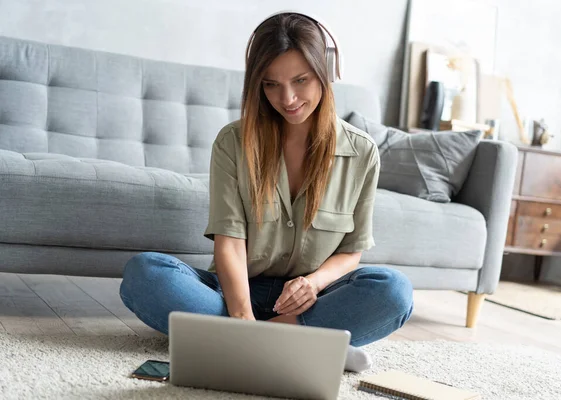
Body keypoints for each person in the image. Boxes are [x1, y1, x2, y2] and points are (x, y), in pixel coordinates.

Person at [119, 11, 414, 373]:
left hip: (310, 301)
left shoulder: (362, 152)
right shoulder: (233, 142)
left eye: (300, 80)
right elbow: (229, 241)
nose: (286, 98)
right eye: (271, 84)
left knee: (393, 291)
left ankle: (237, 345)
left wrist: (312, 282)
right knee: (145, 273)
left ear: (327, 72)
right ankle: (307, 346)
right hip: (232, 292)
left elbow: (351, 252)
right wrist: (242, 314)